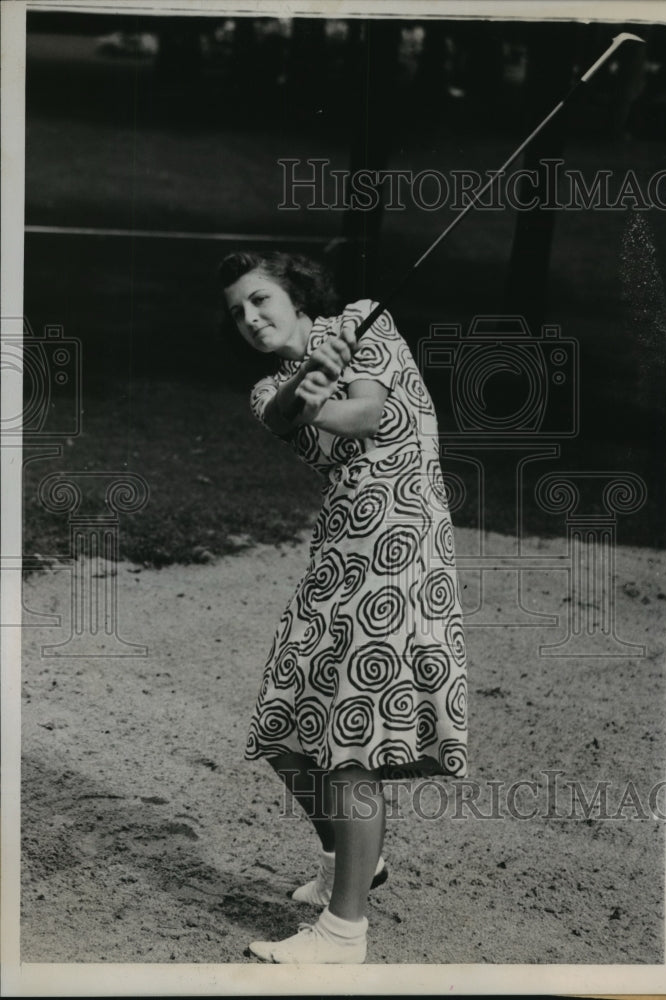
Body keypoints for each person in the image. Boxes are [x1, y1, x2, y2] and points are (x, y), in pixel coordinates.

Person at [219, 250, 467, 964]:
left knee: (345, 746)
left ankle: (342, 933)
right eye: (238, 312)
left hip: (400, 547)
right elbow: (283, 416)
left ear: (296, 296)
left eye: (261, 299)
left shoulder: (363, 322)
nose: (251, 318)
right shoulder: (268, 390)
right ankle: (353, 860)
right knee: (284, 723)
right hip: (339, 551)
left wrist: (329, 375)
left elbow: (369, 411)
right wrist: (308, 379)